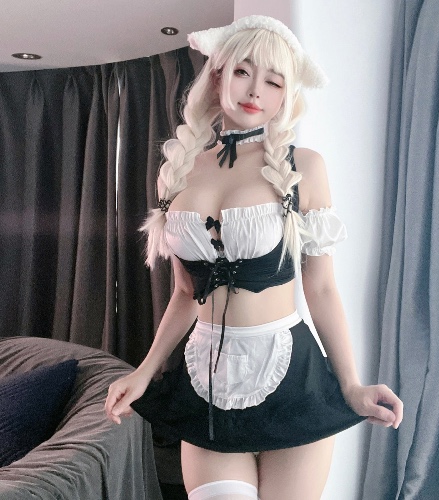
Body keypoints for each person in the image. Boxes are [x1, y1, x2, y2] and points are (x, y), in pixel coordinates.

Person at [105, 15, 403, 500]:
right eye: (243, 71)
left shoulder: (304, 167)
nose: (255, 90)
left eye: (274, 81)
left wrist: (351, 385)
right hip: (206, 382)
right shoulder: (176, 172)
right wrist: (145, 371)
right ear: (218, 75)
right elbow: (186, 292)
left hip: (293, 378)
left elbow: (321, 287)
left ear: (286, 95)